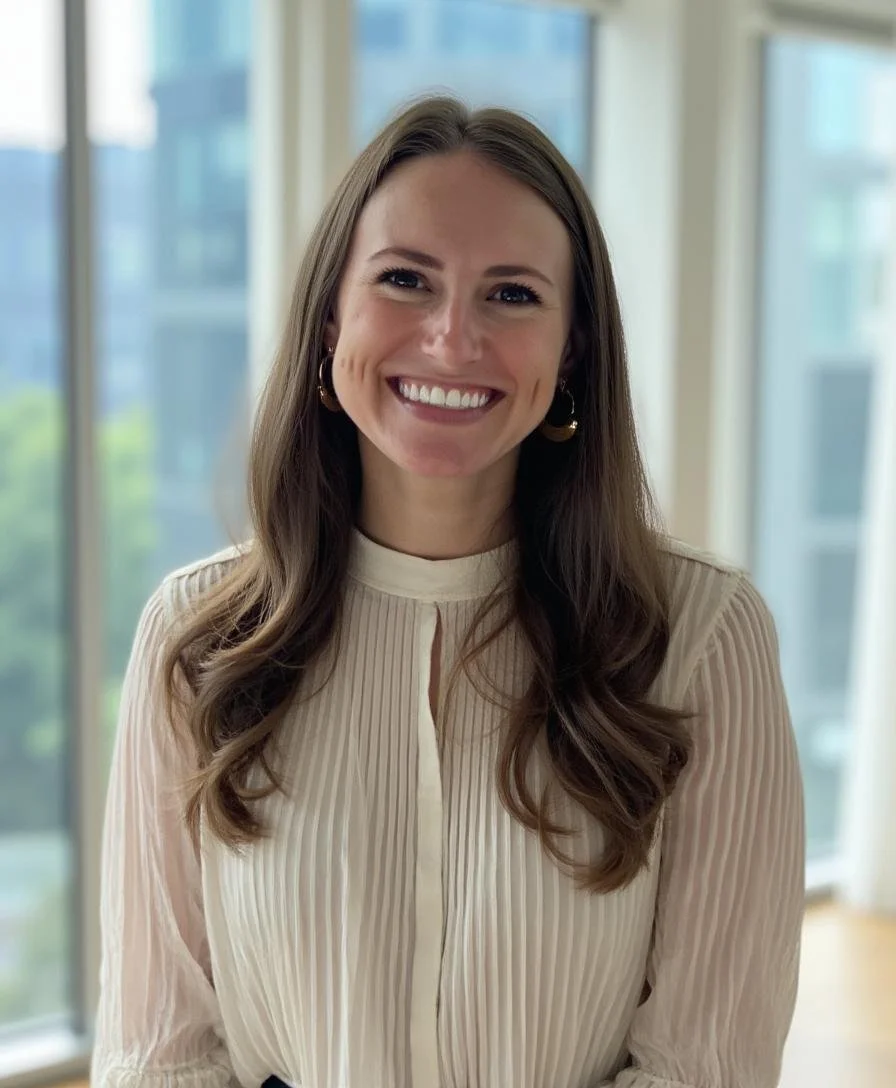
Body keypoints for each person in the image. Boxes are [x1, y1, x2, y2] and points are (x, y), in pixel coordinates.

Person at [91, 97, 805, 1088]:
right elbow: (155, 1053)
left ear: (573, 351)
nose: (449, 338)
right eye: (403, 280)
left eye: (510, 294)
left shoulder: (700, 639)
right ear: (328, 320)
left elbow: (707, 1064)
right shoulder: (195, 638)